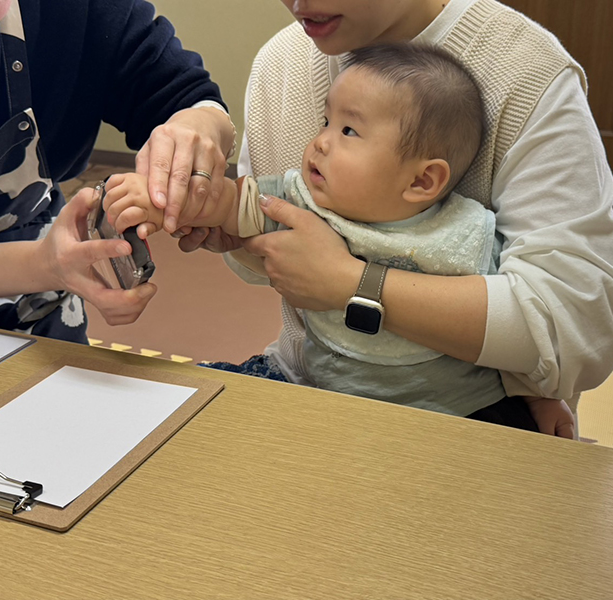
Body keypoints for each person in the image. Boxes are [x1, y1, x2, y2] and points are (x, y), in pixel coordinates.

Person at [167, 0, 613, 436]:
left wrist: (351, 283)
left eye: (349, 130)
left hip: (460, 413)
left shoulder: (525, 71)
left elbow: (575, 325)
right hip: (307, 380)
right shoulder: (281, 62)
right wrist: (209, 213)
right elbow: (265, 238)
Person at [105, 43, 575, 436]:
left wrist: (538, 395)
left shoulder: (464, 233)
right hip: (321, 391)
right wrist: (162, 199)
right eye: (325, 122)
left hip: (454, 412)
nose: (322, 141)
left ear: (422, 181)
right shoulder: (302, 200)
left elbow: (509, 326)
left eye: (349, 130)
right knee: (191, 411)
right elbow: (228, 201)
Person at [0, 0, 235, 342]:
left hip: (42, 309)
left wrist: (200, 124)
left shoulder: (74, 10)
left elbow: (177, 89)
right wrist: (46, 265)